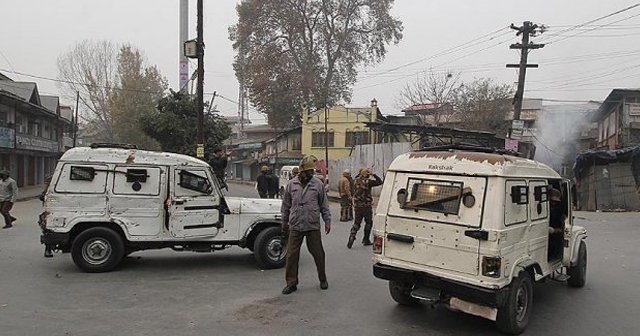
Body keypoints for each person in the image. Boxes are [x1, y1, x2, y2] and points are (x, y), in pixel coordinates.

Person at [281, 155, 331, 295]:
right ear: (302, 171)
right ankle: (291, 283)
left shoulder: (318, 185)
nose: (312, 173)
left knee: (318, 254)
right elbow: (286, 205)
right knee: (291, 255)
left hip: (312, 224)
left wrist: (327, 221)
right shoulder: (292, 185)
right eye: (309, 171)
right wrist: (284, 221)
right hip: (295, 224)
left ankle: (322, 279)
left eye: (312, 171)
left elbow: (324, 205)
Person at [347, 168, 383, 248]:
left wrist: (363, 173)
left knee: (357, 223)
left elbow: (357, 177)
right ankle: (366, 239)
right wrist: (373, 174)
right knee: (369, 222)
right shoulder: (368, 182)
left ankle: (352, 236)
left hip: (357, 206)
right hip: (366, 206)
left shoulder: (355, 180)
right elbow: (380, 182)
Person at [548, 188, 565, 260]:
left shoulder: (558, 210)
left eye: (555, 202)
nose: (553, 203)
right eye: (552, 201)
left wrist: (557, 230)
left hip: (554, 234)